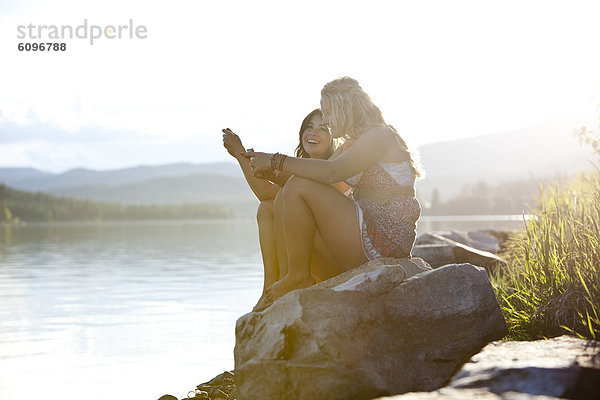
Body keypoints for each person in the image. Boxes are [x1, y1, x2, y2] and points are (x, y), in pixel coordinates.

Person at [245, 77, 423, 309]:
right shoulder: (353, 144)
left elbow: (331, 172)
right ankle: (280, 281)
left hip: (383, 239)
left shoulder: (380, 135)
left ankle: (298, 277)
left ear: (344, 108)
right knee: (269, 208)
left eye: (328, 113)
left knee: (299, 185)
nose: (326, 121)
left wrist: (275, 161)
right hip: (359, 234)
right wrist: (264, 166)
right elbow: (307, 187)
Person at [223, 109, 345, 307]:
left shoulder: (336, 166)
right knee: (267, 209)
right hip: (315, 254)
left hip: (334, 258)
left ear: (334, 137)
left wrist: (242, 154)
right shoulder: (299, 166)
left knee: (275, 203)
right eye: (309, 127)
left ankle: (292, 282)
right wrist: (240, 154)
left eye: (322, 129)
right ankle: (270, 287)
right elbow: (267, 195)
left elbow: (273, 193)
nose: (313, 133)